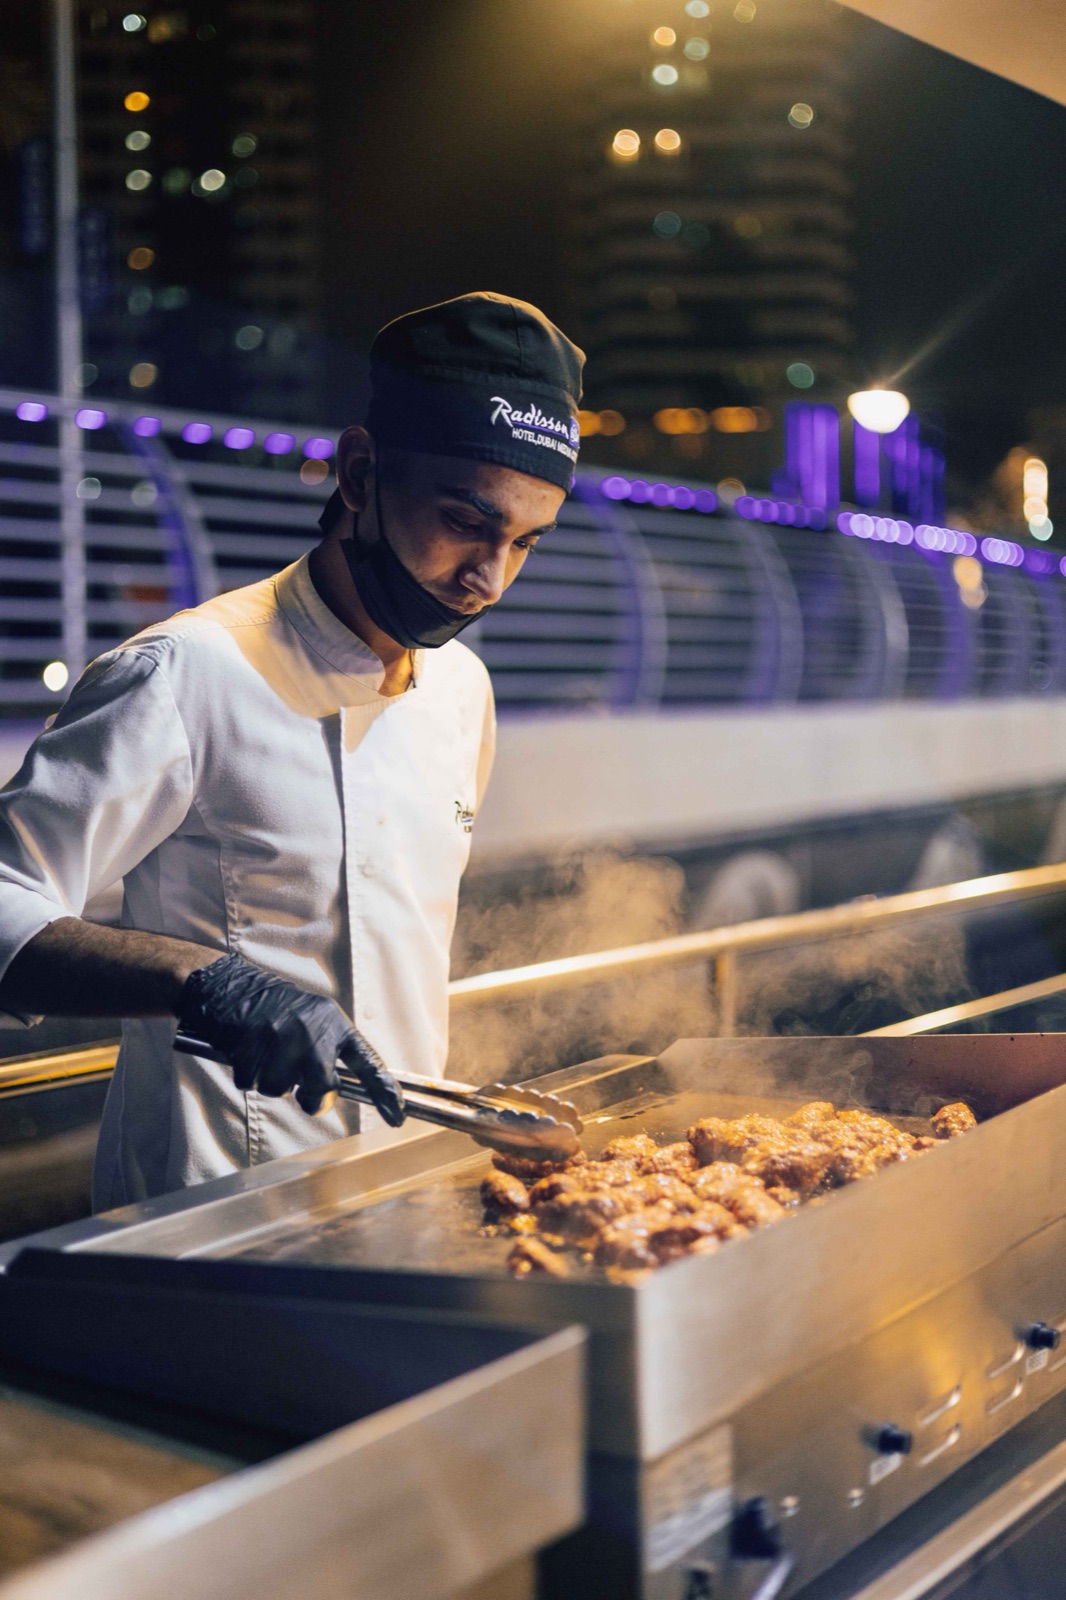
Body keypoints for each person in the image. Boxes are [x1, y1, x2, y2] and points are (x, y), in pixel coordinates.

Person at [0, 292, 584, 1209]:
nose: (488, 580)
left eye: (524, 543)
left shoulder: (463, 690)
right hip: (204, 1212)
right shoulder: (186, 672)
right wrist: (200, 980)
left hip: (400, 1192)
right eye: (466, 522)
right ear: (359, 472)